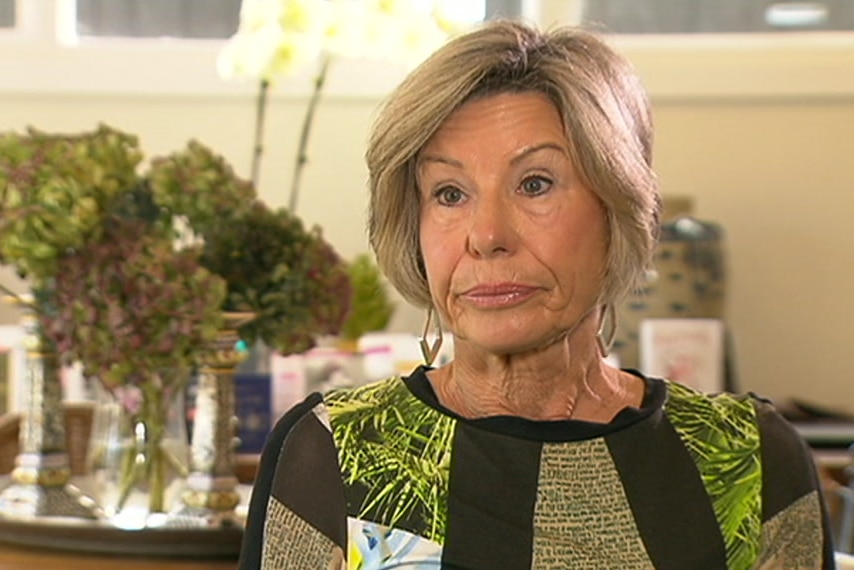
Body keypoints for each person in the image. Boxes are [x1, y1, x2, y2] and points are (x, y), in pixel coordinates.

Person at [239, 19, 833, 570]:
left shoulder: (750, 462)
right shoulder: (337, 454)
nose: (487, 236)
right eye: (449, 193)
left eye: (536, 184)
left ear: (618, 209)